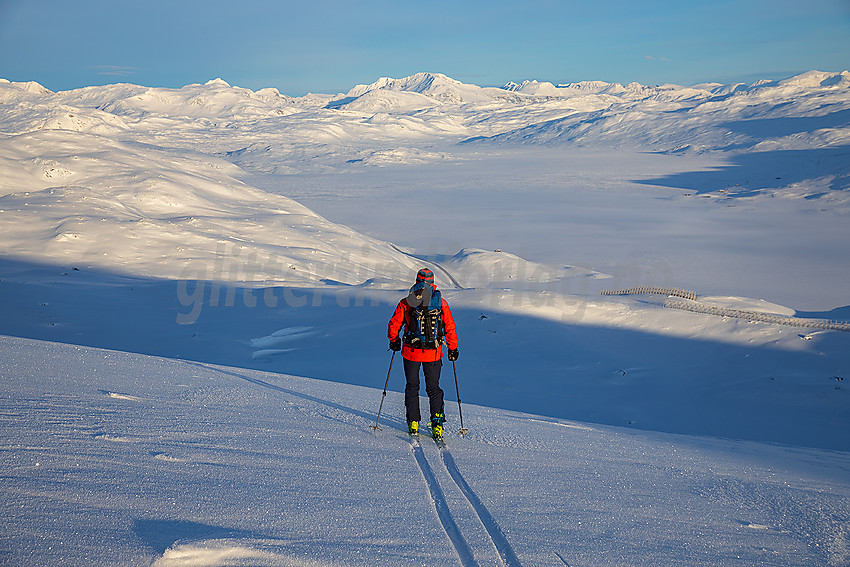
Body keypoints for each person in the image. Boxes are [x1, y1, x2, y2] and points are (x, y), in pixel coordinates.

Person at [387, 268, 459, 438]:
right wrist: (453, 348)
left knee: (412, 387)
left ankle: (413, 422)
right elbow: (449, 327)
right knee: (433, 388)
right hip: (433, 353)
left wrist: (394, 340)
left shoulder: (406, 302)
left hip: (411, 352)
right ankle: (437, 423)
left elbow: (394, 324)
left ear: (417, 280)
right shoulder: (442, 303)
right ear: (433, 282)